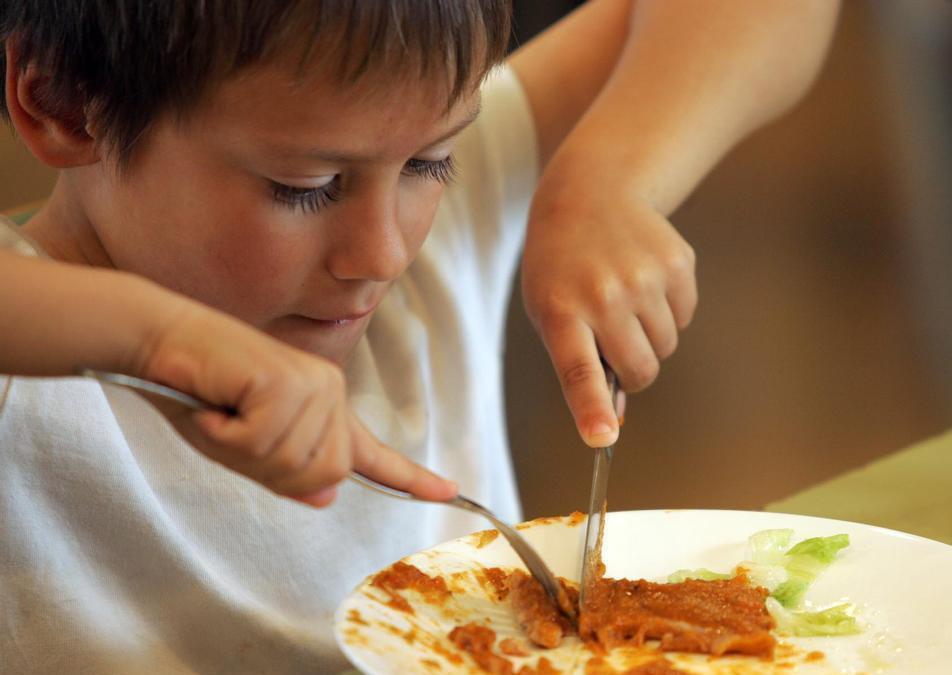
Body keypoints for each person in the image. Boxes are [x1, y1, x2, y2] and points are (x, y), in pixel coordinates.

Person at [0, 0, 839, 671]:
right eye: (307, 187)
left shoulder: (429, 224)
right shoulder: (24, 380)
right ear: (67, 105)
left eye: (431, 165)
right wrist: (151, 341)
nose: (386, 252)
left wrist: (606, 181)